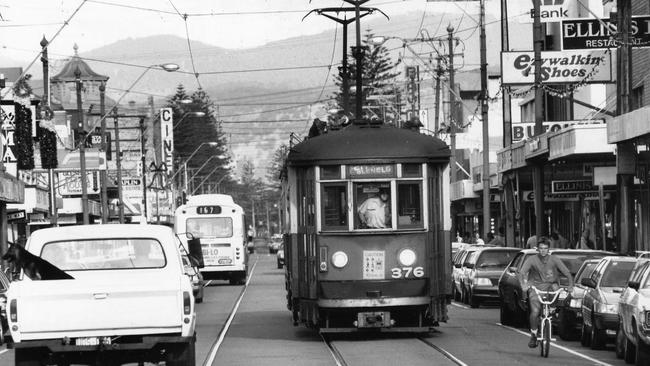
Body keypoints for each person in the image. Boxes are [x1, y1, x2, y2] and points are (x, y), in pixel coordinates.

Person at [519, 238, 574, 348]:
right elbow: (521, 273)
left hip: (550, 286)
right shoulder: (531, 260)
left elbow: (567, 273)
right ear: (537, 249)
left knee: (556, 288)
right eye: (541, 248)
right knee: (535, 311)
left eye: (545, 248)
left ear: (548, 249)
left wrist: (570, 285)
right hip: (535, 287)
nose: (543, 251)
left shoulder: (554, 259)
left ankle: (552, 309)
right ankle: (534, 335)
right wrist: (523, 285)